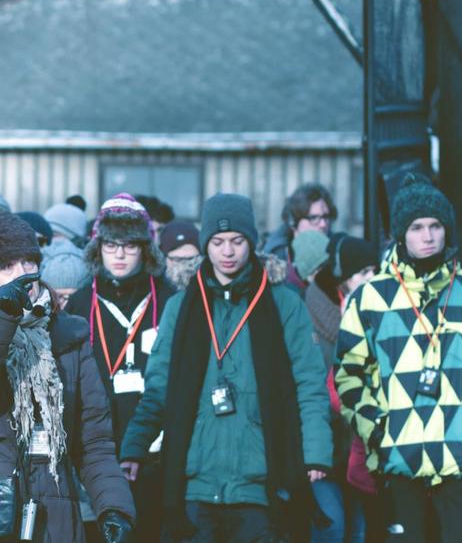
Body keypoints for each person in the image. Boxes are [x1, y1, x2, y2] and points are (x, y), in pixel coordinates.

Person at [120, 193, 332, 543]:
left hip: (261, 481)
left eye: (236, 241)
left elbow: (309, 385)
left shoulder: (283, 304)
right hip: (194, 482)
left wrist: (316, 455)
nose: (228, 252)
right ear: (207, 246)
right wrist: (135, 445)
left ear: (251, 242)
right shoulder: (181, 307)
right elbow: (158, 387)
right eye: (217, 242)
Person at [0, 208, 135, 542]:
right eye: (6, 266)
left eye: (28, 262)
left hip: (52, 512)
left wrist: (113, 506)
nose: (22, 274)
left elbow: (94, 439)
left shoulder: (67, 333)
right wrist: (0, 315)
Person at [335, 174, 462, 541]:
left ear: (447, 231)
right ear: (400, 234)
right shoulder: (371, 297)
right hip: (398, 460)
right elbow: (348, 373)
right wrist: (376, 428)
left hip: (460, 463)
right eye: (417, 227)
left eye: (436, 226)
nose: (428, 236)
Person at [65, 193, 177, 541]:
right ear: (98, 248)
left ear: (146, 249)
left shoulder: (169, 298)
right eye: (111, 244)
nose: (120, 254)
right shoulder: (82, 302)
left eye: (130, 245)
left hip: (156, 449)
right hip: (96, 448)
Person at [301, 234, 378, 543]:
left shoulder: (377, 310)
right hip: (327, 445)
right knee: (332, 524)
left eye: (375, 269)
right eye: (364, 272)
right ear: (344, 279)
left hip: (362, 446)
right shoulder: (312, 316)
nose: (372, 278)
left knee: (361, 529)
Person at [263, 184, 340, 288]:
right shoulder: (276, 256)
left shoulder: (338, 249)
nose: (323, 224)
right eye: (314, 218)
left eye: (325, 217)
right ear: (293, 221)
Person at [160, 221, 201, 289]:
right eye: (178, 259)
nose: (184, 266)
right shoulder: (154, 290)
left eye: (190, 259)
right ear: (165, 259)